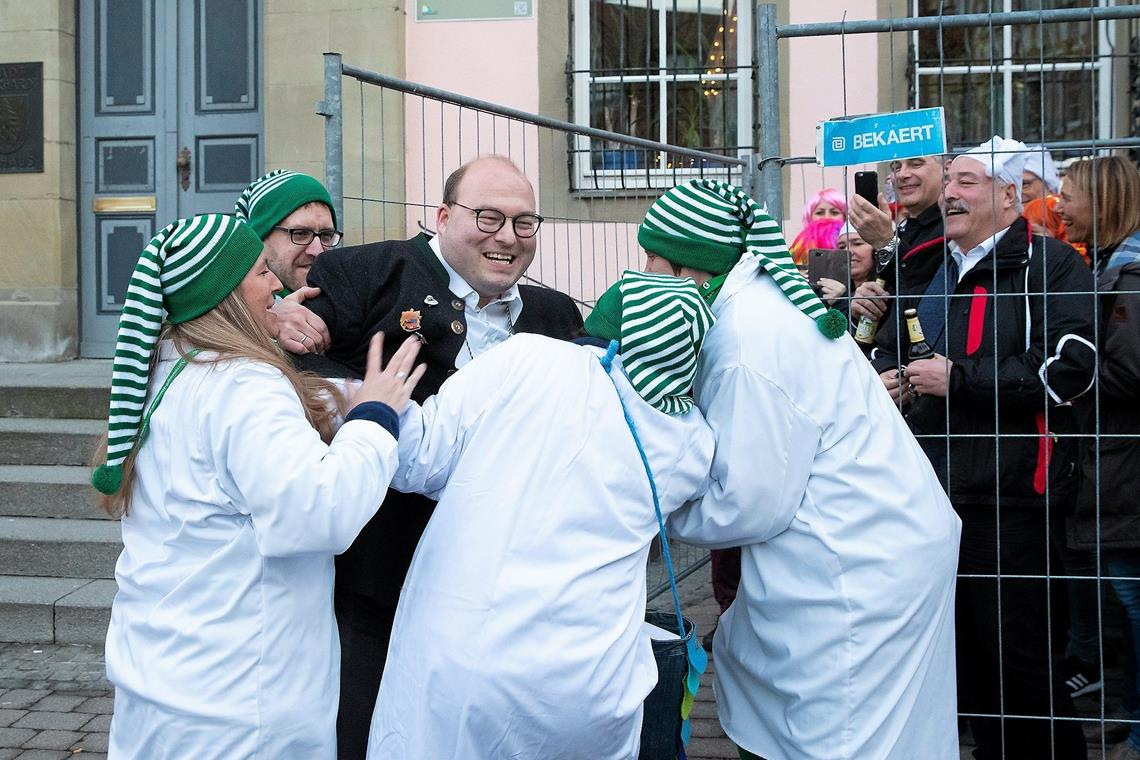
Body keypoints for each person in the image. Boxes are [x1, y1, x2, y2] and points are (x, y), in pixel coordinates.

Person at [636, 179, 961, 760]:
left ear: (690, 265)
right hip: (873, 545)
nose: (647, 276)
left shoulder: (746, 341)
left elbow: (748, 503)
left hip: (853, 567)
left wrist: (652, 507)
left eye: (653, 261)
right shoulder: (762, 300)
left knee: (837, 739)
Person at [89, 213, 426, 757]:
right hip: (239, 701)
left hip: (164, 679)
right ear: (225, 293)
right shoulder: (243, 384)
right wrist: (373, 417)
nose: (277, 285)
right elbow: (319, 514)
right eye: (260, 272)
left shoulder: (173, 372)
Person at [295, 154, 585, 759]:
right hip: (382, 576)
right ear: (443, 215)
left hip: (501, 591)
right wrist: (282, 321)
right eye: (488, 217)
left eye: (525, 222)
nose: (507, 237)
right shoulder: (364, 273)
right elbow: (298, 371)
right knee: (365, 733)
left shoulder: (555, 316)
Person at [365, 271, 715, 759]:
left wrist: (376, 406)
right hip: (594, 684)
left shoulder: (528, 356)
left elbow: (417, 461)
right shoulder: (692, 439)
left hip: (468, 663)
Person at [870, 137, 1097, 759]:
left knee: (1022, 664)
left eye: (965, 182)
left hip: (1014, 498)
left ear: (1007, 195)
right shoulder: (940, 266)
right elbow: (901, 340)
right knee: (963, 660)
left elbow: (1069, 368)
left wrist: (960, 380)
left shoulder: (1049, 266)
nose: (949, 193)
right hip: (936, 495)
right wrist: (891, 374)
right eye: (950, 182)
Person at [1059, 155, 1140, 760]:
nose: (1058, 206)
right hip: (1112, 466)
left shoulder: (1129, 276)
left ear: (1103, 201)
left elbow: (1129, 372)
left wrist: (1066, 374)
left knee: (1134, 606)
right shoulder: (1109, 267)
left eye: (1068, 195)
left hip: (1122, 468)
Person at [235, 169, 342, 355]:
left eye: (326, 235)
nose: (318, 251)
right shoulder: (226, 308)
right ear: (260, 239)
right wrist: (268, 322)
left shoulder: (347, 296)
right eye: (300, 234)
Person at [846, 154, 947, 344]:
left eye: (916, 164)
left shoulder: (954, 226)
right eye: (896, 166)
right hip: (890, 363)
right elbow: (894, 300)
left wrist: (886, 242)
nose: (903, 174)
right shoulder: (904, 228)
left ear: (946, 169)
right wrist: (863, 305)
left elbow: (918, 287)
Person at [816, 220, 875, 311]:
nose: (848, 252)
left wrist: (844, 302)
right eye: (842, 247)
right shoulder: (833, 291)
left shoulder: (889, 289)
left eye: (857, 244)